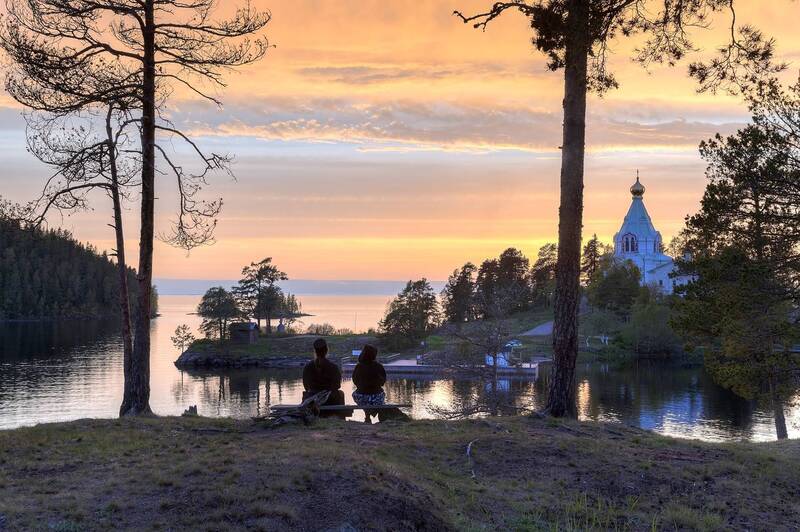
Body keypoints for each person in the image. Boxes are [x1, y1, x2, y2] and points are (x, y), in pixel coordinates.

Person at [302, 338, 345, 416]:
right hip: (330, 401)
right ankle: (341, 417)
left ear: (315, 351)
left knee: (306, 394)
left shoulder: (307, 367)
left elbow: (306, 386)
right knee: (341, 393)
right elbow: (337, 385)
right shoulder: (333, 367)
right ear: (326, 350)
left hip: (312, 400)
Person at [351, 344, 387, 423]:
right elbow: (383, 382)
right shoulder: (379, 366)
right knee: (381, 394)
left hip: (362, 397)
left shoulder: (358, 367)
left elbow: (355, 381)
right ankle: (373, 413)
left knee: (355, 394)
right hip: (376, 397)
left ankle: (367, 415)